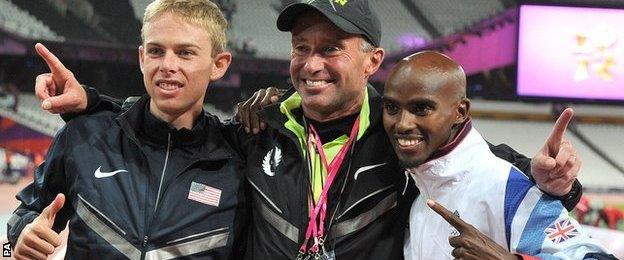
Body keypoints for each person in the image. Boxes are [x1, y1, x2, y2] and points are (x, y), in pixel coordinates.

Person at [33, 0, 582, 259]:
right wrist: (95, 107)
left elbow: (485, 167)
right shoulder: (256, 125)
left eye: (331, 50)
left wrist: (559, 184)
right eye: (302, 49)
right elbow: (171, 126)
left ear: (372, 61)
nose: (312, 63)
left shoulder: (402, 139)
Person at [7, 1, 247, 259]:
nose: (167, 64)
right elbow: (22, 217)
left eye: (185, 52)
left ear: (218, 64)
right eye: (156, 51)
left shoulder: (237, 166)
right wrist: (22, 233)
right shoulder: (85, 136)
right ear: (142, 58)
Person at [383, 51, 613, 259]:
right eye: (392, 108)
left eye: (421, 108)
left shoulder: (505, 187)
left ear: (460, 112)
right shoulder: (415, 187)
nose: (403, 124)